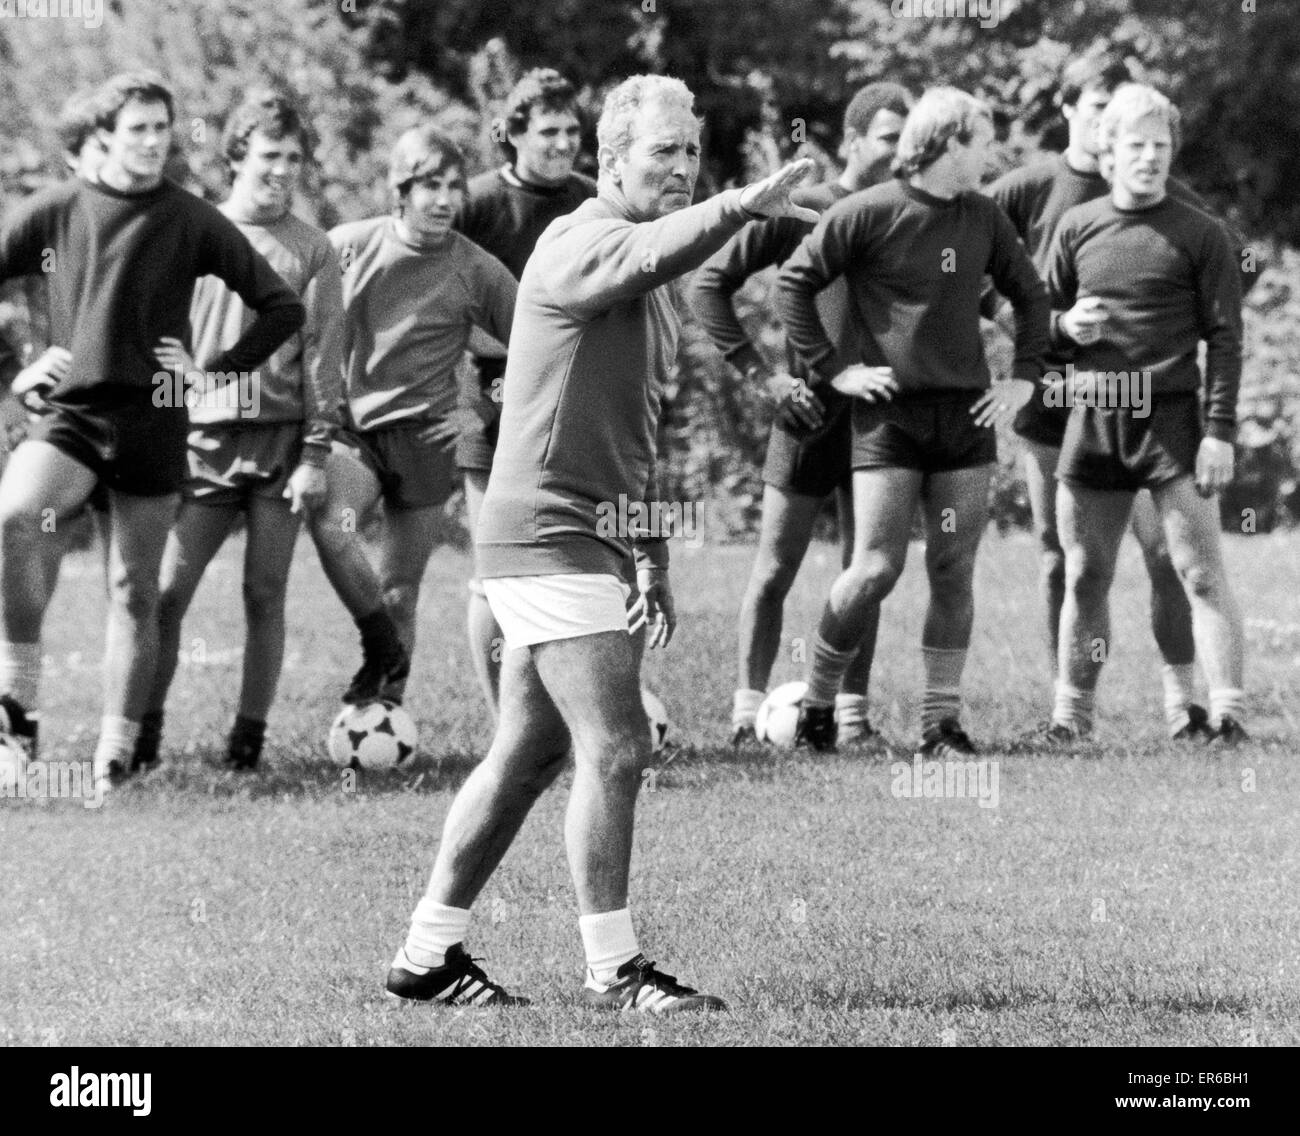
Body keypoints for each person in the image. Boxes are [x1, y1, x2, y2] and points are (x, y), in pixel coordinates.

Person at [385, 75, 819, 1011]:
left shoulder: (653, 286)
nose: (681, 165)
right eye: (662, 150)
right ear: (611, 158)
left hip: (592, 533)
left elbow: (634, 431)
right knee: (617, 744)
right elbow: (653, 248)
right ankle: (614, 970)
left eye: (692, 151)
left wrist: (651, 550)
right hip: (545, 531)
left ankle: (427, 956)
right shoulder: (578, 240)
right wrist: (741, 202)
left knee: (528, 752)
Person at [0, 71, 304, 780]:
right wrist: (21, 361)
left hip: (157, 419)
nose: (151, 142)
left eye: (161, 129)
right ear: (102, 136)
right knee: (15, 516)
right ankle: (18, 711)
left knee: (135, 590)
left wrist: (214, 373)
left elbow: (281, 307)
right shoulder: (57, 208)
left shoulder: (191, 217)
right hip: (72, 414)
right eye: (137, 128)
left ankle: (117, 759)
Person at [987, 52, 1257, 741]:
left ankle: (1224, 713)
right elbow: (1038, 325)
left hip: (1174, 421)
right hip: (1094, 418)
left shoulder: (1203, 234)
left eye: (1160, 147)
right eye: (1135, 146)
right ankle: (1070, 719)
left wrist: (1220, 430)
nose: (1149, 158)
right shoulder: (1078, 228)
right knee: (1084, 572)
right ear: (1108, 153)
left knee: (1195, 571)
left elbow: (1226, 340)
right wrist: (1062, 327)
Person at [775, 87, 1048, 756]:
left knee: (954, 569)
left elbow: (1030, 296)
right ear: (948, 144)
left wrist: (1023, 380)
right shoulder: (868, 211)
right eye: (982, 141)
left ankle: (940, 724)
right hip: (887, 419)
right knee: (874, 568)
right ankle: (817, 702)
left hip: (965, 420)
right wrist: (833, 368)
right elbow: (795, 284)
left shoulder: (984, 216)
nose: (993, 154)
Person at [692, 81, 911, 745]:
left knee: (865, 572)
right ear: (852, 141)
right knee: (774, 569)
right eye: (888, 138)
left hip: (879, 417)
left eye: (909, 141)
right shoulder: (806, 208)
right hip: (809, 411)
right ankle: (744, 713)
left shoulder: (910, 214)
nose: (901, 153)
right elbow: (710, 286)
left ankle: (850, 715)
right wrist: (765, 377)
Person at [133, 90, 344, 771]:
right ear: (235, 160)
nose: (282, 169)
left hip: (282, 445)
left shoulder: (314, 249)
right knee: (167, 594)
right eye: (268, 155)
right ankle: (141, 739)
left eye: (293, 157)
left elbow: (323, 358)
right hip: (201, 442)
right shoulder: (195, 232)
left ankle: (246, 745)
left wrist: (316, 453)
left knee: (264, 593)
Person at [322, 125, 517, 706]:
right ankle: (377, 642)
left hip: (428, 439)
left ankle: (382, 712)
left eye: (454, 187)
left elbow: (540, 346)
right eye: (430, 185)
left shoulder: (477, 268)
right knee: (335, 526)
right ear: (401, 189)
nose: (444, 200)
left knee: (402, 589)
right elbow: (300, 324)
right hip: (351, 431)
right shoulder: (349, 245)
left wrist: (480, 411)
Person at [454, 68, 596, 718]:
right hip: (490, 403)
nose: (564, 143)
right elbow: (436, 289)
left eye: (572, 130)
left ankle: (571, 710)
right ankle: (500, 723)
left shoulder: (592, 199)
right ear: (512, 135)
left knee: (578, 562)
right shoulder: (475, 203)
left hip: (577, 402)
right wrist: (492, 353)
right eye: (548, 132)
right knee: (495, 572)